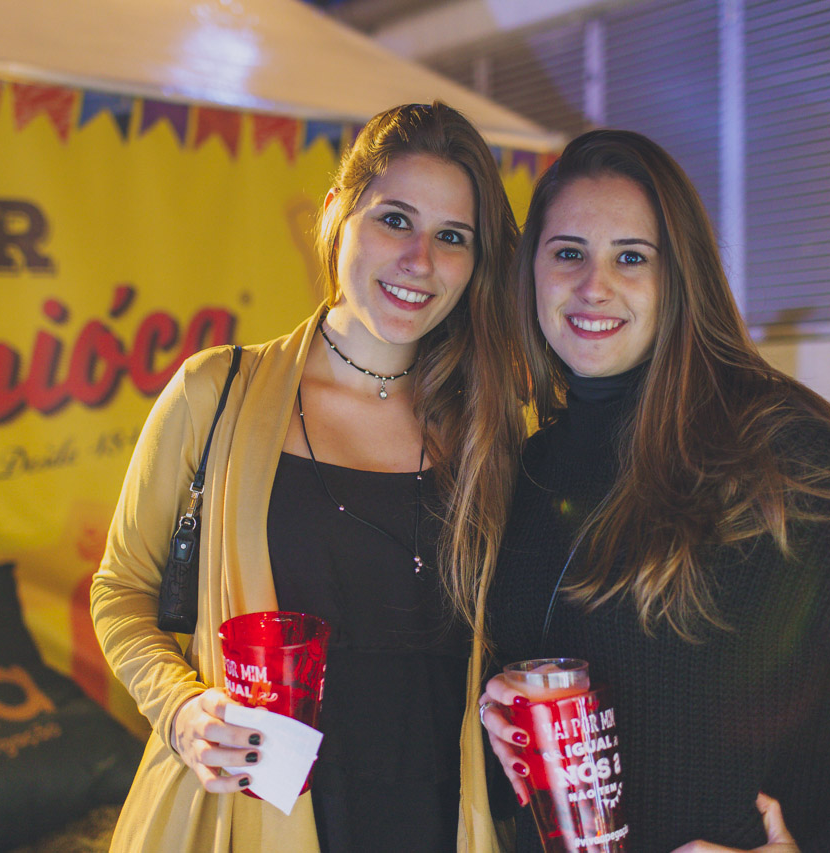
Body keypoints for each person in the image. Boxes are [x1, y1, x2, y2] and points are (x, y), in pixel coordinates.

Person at [464, 129, 830, 852]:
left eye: (632, 257)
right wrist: (499, 726)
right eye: (569, 253)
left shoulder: (775, 458)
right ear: (530, 270)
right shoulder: (528, 470)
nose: (594, 285)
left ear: (681, 277)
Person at [90, 101, 524, 852]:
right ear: (334, 216)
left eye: (452, 236)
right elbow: (121, 589)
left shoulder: (492, 428)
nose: (419, 259)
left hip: (440, 816)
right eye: (395, 220)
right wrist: (182, 710)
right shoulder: (214, 393)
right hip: (255, 813)